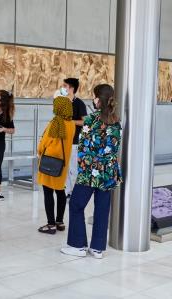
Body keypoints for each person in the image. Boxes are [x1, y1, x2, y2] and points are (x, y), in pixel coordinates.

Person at [61, 84, 122, 259]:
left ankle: (78, 245)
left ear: (99, 100)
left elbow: (84, 147)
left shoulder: (91, 120)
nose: (93, 99)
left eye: (94, 96)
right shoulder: (116, 120)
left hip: (90, 172)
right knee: (102, 209)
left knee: (76, 205)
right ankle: (97, 249)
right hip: (108, 173)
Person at [37, 97, 75, 234]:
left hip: (49, 162)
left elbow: (45, 142)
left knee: (48, 193)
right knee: (60, 191)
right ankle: (60, 221)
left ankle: (50, 224)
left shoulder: (56, 122)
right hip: (62, 164)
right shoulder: (71, 124)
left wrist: (39, 150)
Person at [60, 78, 88, 198]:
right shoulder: (62, 102)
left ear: (71, 88)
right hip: (62, 141)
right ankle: (67, 192)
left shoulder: (79, 104)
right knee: (64, 168)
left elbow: (85, 122)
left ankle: (75, 193)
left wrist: (71, 122)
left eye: (65, 86)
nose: (63, 88)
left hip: (74, 142)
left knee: (73, 169)